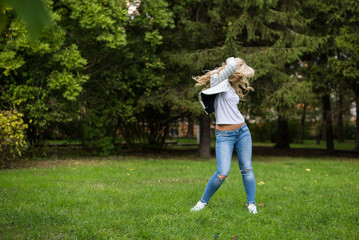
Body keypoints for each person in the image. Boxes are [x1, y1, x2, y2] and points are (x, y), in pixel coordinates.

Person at [191, 57, 257, 214]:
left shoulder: (232, 86)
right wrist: (232, 61)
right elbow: (231, 64)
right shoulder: (217, 79)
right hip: (224, 135)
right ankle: (202, 203)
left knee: (247, 169)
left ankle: (251, 204)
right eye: (240, 74)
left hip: (242, 131)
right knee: (222, 172)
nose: (240, 78)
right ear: (234, 70)